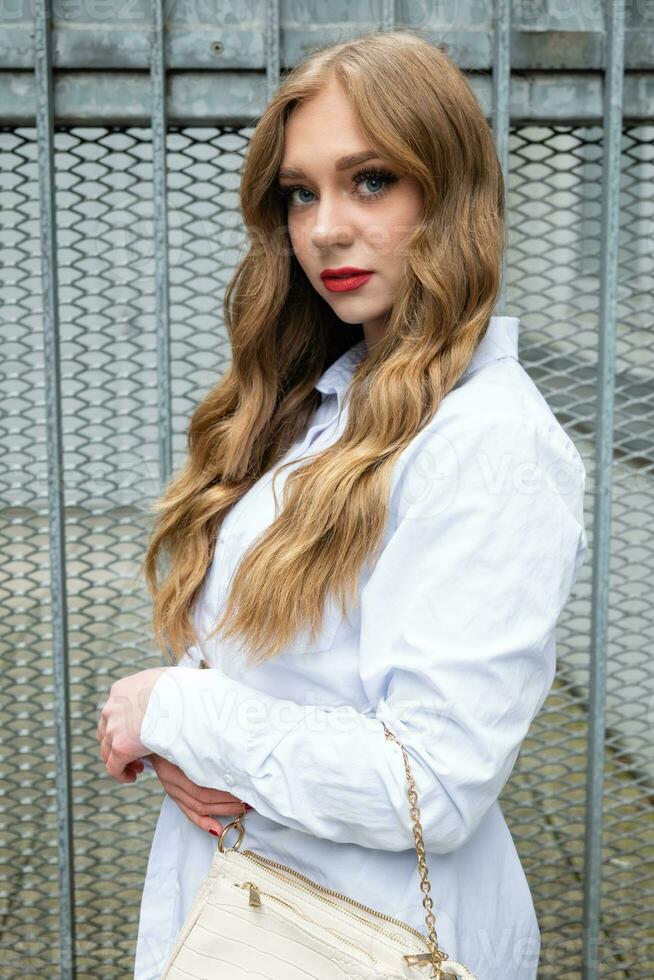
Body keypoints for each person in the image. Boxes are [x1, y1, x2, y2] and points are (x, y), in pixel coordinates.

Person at [96, 29, 588, 980]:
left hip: (362, 938)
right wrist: (188, 732)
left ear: (450, 192)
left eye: (371, 181)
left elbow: (433, 785)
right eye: (301, 192)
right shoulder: (331, 397)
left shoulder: (487, 444)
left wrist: (174, 712)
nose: (324, 228)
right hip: (258, 914)